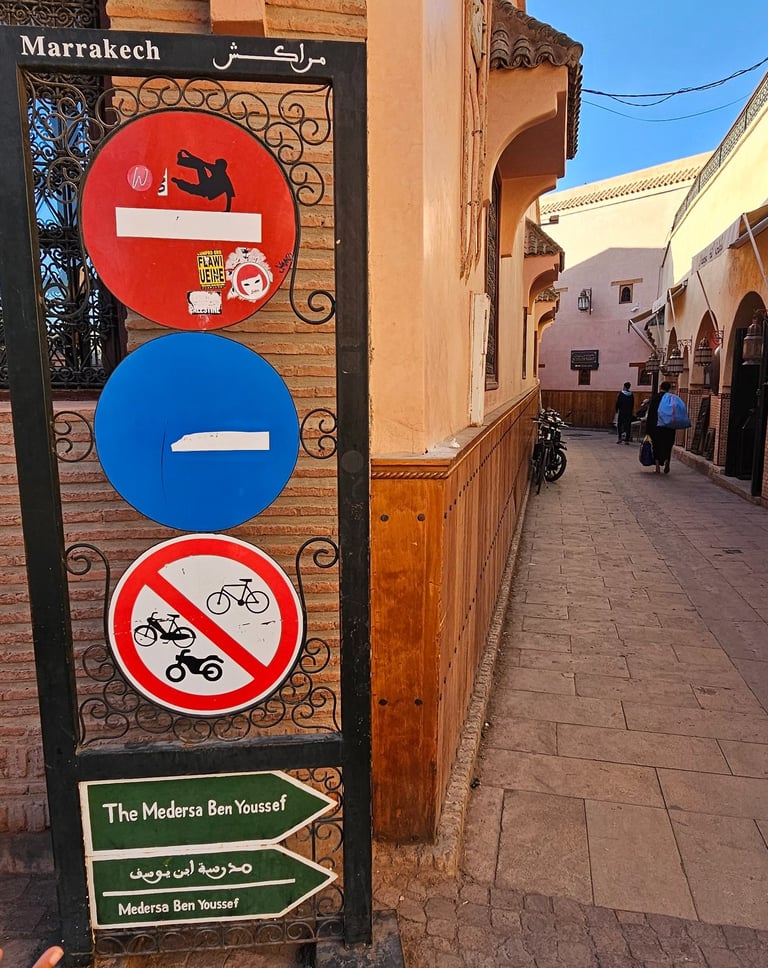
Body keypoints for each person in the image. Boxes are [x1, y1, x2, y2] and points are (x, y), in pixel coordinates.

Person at [646, 380, 676, 474]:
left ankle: (658, 467)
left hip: (657, 427)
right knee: (667, 445)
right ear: (669, 389)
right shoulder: (672, 399)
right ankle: (667, 461)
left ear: (660, 387)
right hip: (669, 427)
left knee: (656, 446)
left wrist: (648, 429)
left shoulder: (655, 398)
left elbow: (651, 414)